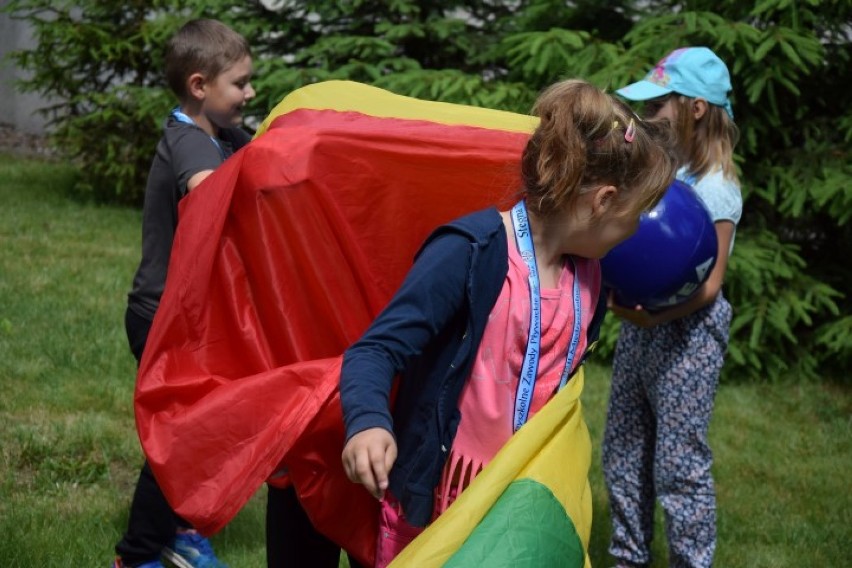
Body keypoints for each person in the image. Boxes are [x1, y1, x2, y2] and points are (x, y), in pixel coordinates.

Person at [338, 79, 677, 567]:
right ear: (602, 201)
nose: (637, 229)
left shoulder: (591, 275)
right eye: (636, 214)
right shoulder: (469, 251)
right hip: (436, 505)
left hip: (518, 507)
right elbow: (376, 350)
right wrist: (367, 424)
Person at [114, 18, 255, 568]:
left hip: (193, 318)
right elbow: (208, 191)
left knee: (205, 427)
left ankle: (180, 527)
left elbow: (268, 147)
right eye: (240, 84)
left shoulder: (224, 135)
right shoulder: (188, 141)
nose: (249, 93)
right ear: (200, 87)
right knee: (178, 437)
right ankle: (139, 552)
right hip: (160, 317)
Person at [602, 47, 743, 568]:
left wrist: (654, 317)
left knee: (678, 465)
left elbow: (710, 285)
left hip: (688, 335)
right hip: (645, 324)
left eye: (660, 103)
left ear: (695, 108)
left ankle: (690, 561)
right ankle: (629, 557)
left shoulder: (717, 189)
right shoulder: (667, 170)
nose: (650, 113)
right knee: (622, 450)